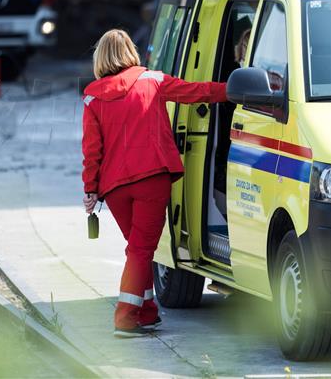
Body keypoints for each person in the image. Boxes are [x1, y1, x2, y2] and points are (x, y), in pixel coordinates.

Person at [81, 29, 227, 338]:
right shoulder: (151, 80)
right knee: (141, 249)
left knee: (138, 249)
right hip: (151, 179)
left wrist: (90, 189)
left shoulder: (93, 96)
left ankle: (146, 312)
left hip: (115, 188)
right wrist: (232, 90)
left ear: (101, 57)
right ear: (130, 52)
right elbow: (196, 91)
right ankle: (125, 317)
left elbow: (92, 149)